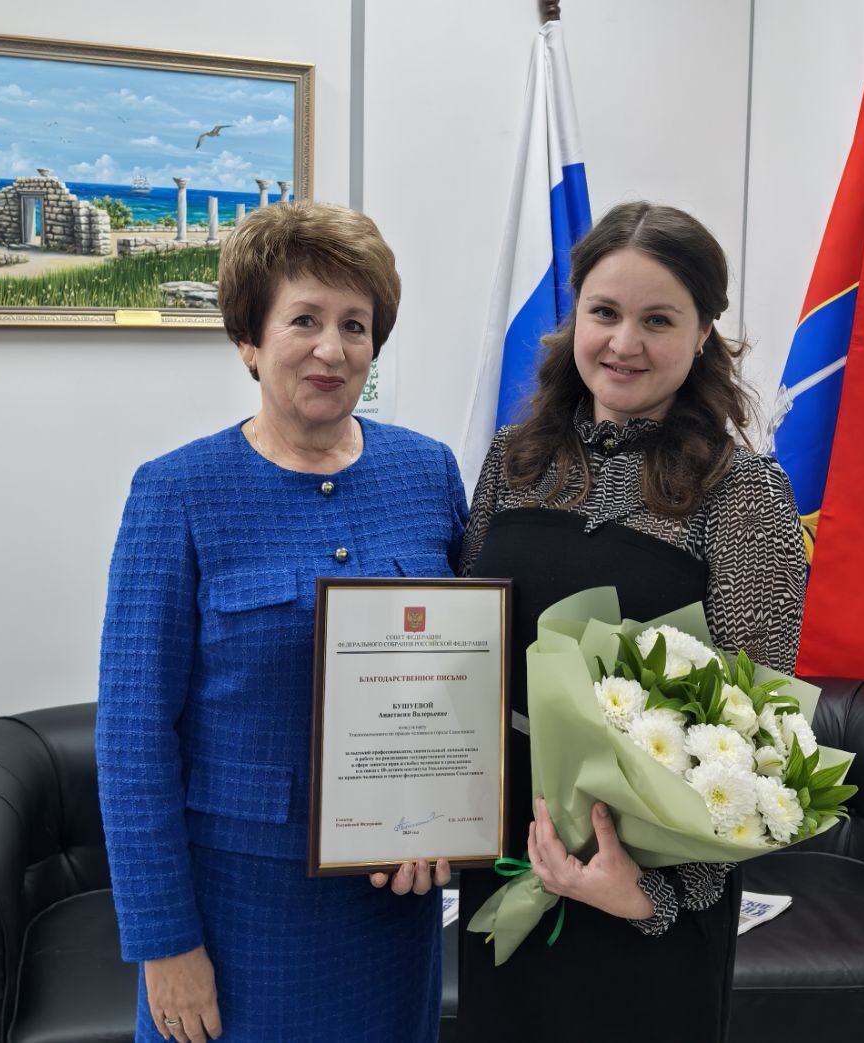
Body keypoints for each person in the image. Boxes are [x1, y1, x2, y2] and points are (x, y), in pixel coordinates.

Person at [97, 202, 466, 1043]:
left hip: (391, 909)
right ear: (249, 341)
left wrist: (447, 820)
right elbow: (132, 740)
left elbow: (459, 674)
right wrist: (165, 943)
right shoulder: (177, 491)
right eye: (304, 320)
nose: (332, 349)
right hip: (239, 915)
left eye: (355, 325)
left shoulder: (428, 471)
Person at [455, 201, 807, 1040]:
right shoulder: (513, 461)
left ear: (703, 333)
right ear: (574, 316)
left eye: (658, 319)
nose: (623, 342)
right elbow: (466, 657)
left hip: (647, 890)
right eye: (604, 312)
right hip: (508, 850)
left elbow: (758, 741)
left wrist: (649, 895)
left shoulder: (745, 492)